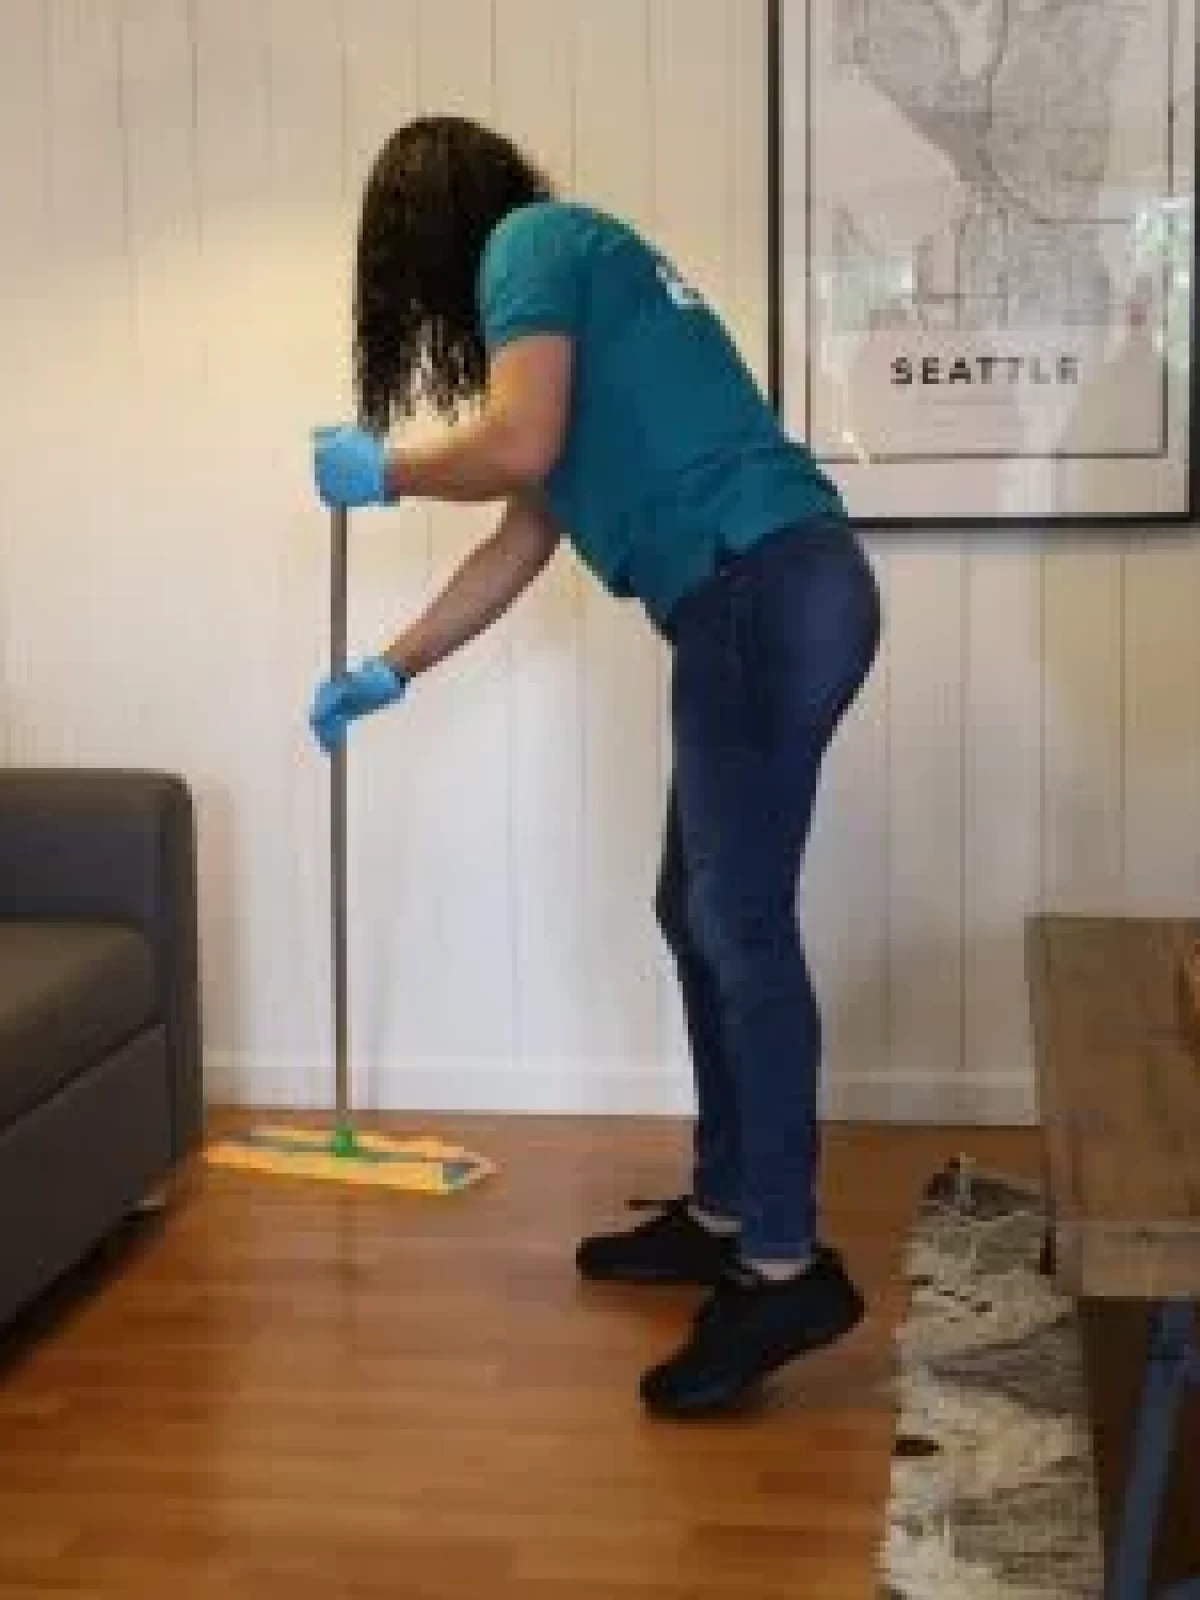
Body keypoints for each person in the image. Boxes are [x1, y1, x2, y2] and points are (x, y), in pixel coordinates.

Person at [309, 115, 882, 1419]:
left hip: (761, 588)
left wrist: (387, 470)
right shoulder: (580, 302)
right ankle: (730, 1207)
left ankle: (784, 1264)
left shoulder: (532, 244)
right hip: (775, 591)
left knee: (738, 921)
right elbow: (518, 538)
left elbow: (507, 447)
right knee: (698, 910)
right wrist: (386, 672)